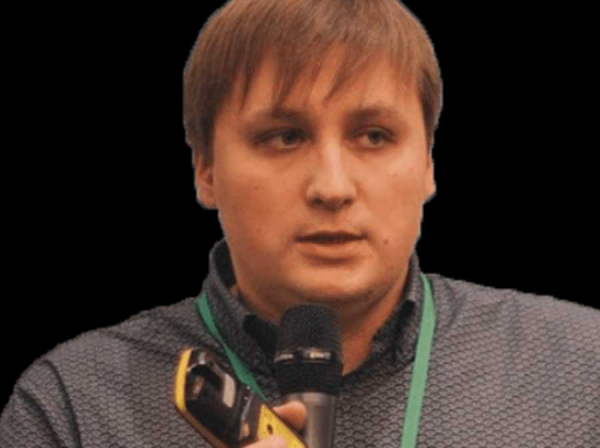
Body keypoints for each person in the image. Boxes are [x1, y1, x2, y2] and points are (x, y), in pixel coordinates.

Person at [2, 0, 599, 447]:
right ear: (205, 169)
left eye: (374, 136)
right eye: (284, 137)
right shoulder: (73, 404)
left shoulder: (583, 368)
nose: (332, 188)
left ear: (428, 163)